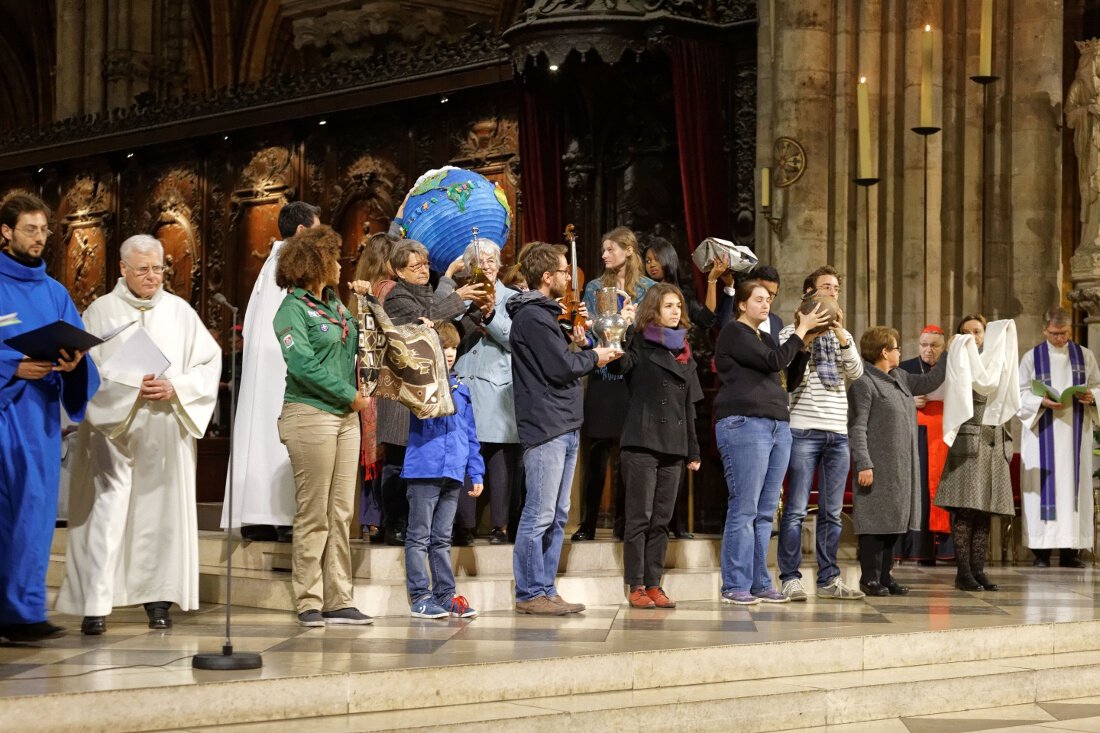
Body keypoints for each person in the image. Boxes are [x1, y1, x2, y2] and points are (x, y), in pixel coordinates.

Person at [58, 234, 221, 634]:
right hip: (113, 434)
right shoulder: (100, 312)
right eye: (144, 269)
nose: (153, 276)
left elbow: (208, 362)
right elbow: (86, 371)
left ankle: (158, 600)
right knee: (105, 517)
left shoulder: (180, 311)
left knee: (159, 519)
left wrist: (176, 386)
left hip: (165, 429)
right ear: (123, 269)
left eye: (159, 268)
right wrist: (133, 386)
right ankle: (95, 605)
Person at [0, 193, 98, 642]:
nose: (40, 239)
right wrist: (12, 365)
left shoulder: (55, 292)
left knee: (34, 514)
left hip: (38, 419)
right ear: (5, 232)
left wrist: (74, 364)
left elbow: (80, 356)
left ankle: (23, 613)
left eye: (43, 230)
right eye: (30, 230)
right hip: (5, 411)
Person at [509, 242, 621, 615]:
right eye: (563, 272)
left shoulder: (548, 315)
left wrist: (577, 343)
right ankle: (529, 593)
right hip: (546, 424)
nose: (568, 278)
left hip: (565, 422)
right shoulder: (533, 317)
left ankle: (545, 587)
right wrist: (595, 356)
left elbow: (559, 361)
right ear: (547, 277)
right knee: (539, 513)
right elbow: (558, 370)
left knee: (557, 514)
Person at [272, 225, 373, 626]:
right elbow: (302, 365)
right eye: (332, 257)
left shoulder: (335, 304)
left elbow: (359, 342)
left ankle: (339, 597)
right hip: (310, 413)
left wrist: (364, 303)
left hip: (347, 417)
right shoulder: (291, 310)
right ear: (313, 263)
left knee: (341, 511)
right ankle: (309, 600)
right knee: (314, 512)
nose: (338, 263)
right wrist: (349, 395)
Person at [714, 279, 830, 605]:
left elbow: (787, 379)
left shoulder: (763, 337)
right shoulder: (734, 332)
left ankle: (759, 582)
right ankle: (734, 584)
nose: (766, 305)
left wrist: (803, 347)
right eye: (759, 299)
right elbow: (773, 362)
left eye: (768, 300)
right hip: (745, 424)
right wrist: (800, 329)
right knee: (745, 507)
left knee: (766, 512)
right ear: (742, 304)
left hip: (777, 425)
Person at [221, 201, 321, 543]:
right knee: (278, 439)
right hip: (282, 366)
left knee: (262, 435)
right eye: (318, 230)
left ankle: (257, 516)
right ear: (303, 230)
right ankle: (279, 517)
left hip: (265, 366)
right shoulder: (292, 263)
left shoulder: (271, 262)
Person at [375, 239, 487, 545]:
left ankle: (416, 525)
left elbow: (444, 338)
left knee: (416, 464)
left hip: (425, 393)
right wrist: (457, 295)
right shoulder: (397, 297)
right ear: (399, 271)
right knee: (397, 461)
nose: (424, 270)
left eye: (426, 264)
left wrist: (477, 314)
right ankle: (393, 523)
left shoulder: (426, 296)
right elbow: (425, 326)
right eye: (415, 266)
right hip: (401, 393)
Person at [776, 266, 865, 602]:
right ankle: (790, 577)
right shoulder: (789, 335)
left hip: (837, 434)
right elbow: (787, 378)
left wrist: (841, 334)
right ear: (810, 294)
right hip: (802, 430)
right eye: (826, 287)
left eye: (836, 288)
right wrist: (807, 335)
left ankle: (829, 579)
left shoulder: (845, 337)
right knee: (797, 509)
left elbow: (856, 372)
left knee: (831, 512)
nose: (832, 293)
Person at [610, 283, 702, 608]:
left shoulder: (685, 352)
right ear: (653, 311)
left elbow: (690, 406)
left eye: (678, 306)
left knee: (662, 519)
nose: (676, 311)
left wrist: (693, 450)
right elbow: (615, 367)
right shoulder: (637, 341)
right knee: (640, 517)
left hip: (674, 446)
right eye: (668, 306)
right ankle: (635, 584)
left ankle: (654, 584)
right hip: (642, 440)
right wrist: (619, 329)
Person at [847, 326, 947, 597]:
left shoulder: (900, 376)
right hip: (877, 465)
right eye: (896, 348)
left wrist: (951, 353)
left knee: (893, 525)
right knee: (874, 526)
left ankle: (885, 576)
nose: (900, 352)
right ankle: (869, 578)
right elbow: (857, 427)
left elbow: (930, 382)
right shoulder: (865, 383)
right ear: (884, 352)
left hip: (901, 466)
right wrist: (864, 463)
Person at [573, 226, 653, 542]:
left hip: (632, 376)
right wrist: (585, 335)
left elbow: (651, 328)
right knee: (597, 454)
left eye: (611, 250)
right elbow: (592, 334)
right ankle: (588, 523)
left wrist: (633, 322)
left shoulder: (647, 288)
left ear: (628, 250)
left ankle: (623, 525)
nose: (605, 255)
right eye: (604, 250)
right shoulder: (594, 287)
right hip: (603, 376)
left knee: (628, 457)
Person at [403, 321, 484, 618]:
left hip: (453, 471)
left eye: (452, 347)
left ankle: (445, 594)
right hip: (424, 469)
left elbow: (470, 434)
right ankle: (421, 595)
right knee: (419, 537)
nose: (449, 353)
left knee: (441, 538)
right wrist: (423, 337)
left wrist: (475, 472)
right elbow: (405, 358)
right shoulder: (421, 382)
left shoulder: (462, 390)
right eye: (443, 347)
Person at [935, 315, 1016, 591]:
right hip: (970, 442)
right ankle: (963, 573)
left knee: (984, 514)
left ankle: (978, 570)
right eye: (965, 331)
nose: (972, 336)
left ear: (986, 334)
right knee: (966, 510)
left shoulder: (999, 358)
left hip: (995, 441)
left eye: (977, 331)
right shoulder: (959, 358)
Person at [1017, 307, 1100, 568]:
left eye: (1064, 334)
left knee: (1073, 490)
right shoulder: (1032, 358)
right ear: (1044, 330)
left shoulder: (1084, 356)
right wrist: (1038, 401)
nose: (1059, 339)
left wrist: (1092, 397)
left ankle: (1070, 552)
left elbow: (1097, 385)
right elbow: (1018, 394)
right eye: (1054, 334)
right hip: (1041, 434)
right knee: (1043, 490)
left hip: (1076, 433)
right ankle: (1041, 553)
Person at [454, 239, 519, 545]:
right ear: (469, 268)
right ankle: (464, 526)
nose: (487, 267)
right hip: (465, 384)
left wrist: (492, 314)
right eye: (479, 262)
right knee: (466, 454)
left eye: (492, 261)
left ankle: (500, 526)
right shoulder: (462, 297)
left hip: (498, 387)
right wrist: (462, 305)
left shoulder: (512, 297)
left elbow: (513, 339)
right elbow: (446, 333)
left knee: (499, 458)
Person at [351, 231, 399, 544]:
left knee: (372, 448)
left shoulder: (362, 292)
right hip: (385, 374)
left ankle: (370, 519)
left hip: (364, 373)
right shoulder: (391, 290)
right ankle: (382, 517)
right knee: (387, 444)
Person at [897, 324, 953, 565]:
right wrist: (910, 401)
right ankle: (919, 550)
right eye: (924, 345)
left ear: (943, 347)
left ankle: (945, 550)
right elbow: (893, 398)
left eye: (934, 345)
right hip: (916, 433)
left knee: (942, 487)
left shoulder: (951, 367)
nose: (928, 350)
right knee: (919, 489)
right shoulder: (906, 368)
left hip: (945, 433)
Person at [718, 265, 783, 344]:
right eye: (760, 293)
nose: (765, 299)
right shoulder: (736, 317)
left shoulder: (777, 322)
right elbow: (725, 327)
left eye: (770, 295)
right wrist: (729, 285)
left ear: (777, 292)